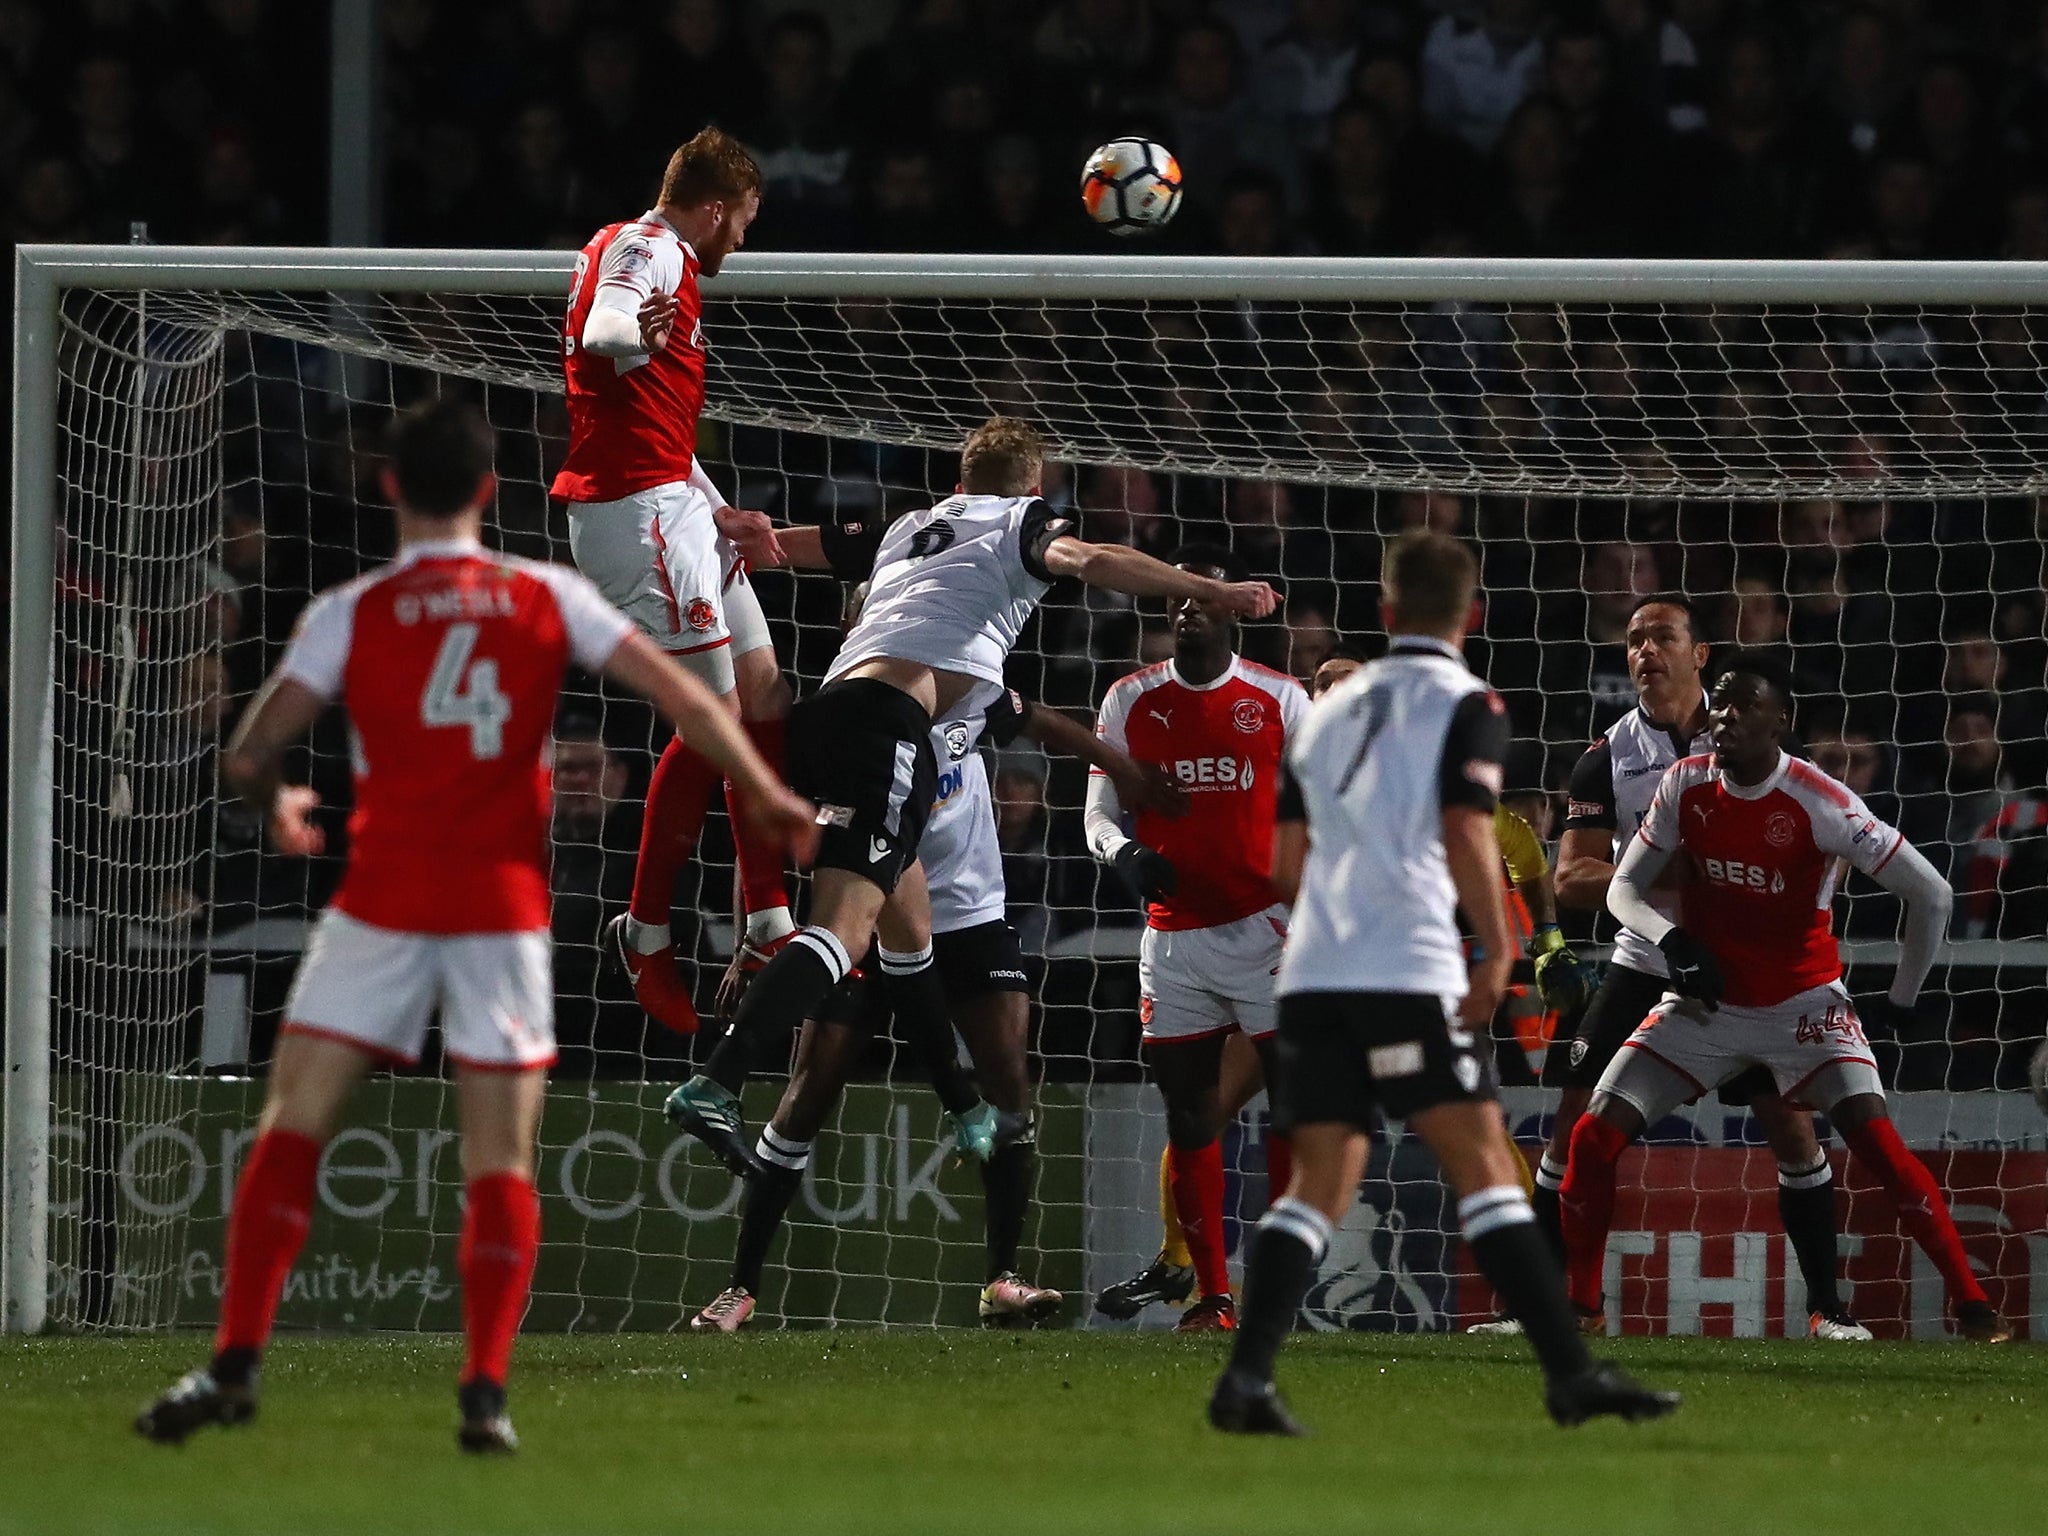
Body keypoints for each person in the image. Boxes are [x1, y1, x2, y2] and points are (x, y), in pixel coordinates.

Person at [134, 399, 817, 1453]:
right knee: (498, 1157)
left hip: (379, 904)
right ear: (491, 493)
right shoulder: (543, 594)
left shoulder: (350, 609)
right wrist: (763, 797)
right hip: (500, 912)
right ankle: (485, 1392)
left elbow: (248, 748)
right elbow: (687, 701)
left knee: (291, 1127)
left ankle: (234, 1362)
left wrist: (274, 803)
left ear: (391, 486)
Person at [665, 417, 1279, 1178]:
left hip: (829, 716)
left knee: (907, 936)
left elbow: (773, 548)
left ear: (959, 481)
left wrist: (714, 525)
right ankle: (717, 1079)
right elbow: (1090, 559)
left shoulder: (909, 525)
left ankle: (963, 1107)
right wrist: (1210, 587)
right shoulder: (1020, 521)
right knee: (846, 931)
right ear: (1036, 484)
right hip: (889, 723)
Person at [1209, 529, 1678, 1436]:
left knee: (1322, 1181)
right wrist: (1500, 953)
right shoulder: (1468, 703)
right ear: (1474, 615)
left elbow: (1283, 863)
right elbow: (1470, 833)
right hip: (1405, 975)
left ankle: (1246, 1380)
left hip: (1310, 975)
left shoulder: (1326, 713)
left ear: (1385, 615)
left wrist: (1343, 922)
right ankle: (1571, 1376)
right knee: (1483, 1170)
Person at [691, 685, 1182, 1333]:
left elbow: (1043, 721)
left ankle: (1002, 1279)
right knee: (807, 1094)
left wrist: (1121, 770)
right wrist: (756, 928)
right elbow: (762, 821)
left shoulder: (969, 689)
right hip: (867, 912)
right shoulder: (841, 714)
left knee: (1009, 1080)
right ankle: (739, 1289)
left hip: (971, 919)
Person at [1558, 649, 2012, 1345]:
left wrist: (1901, 1002)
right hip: (1708, 1009)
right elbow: (1622, 886)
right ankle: (1582, 1308)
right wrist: (1672, 942)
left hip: (1805, 1009)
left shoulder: (1819, 800)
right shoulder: (1684, 784)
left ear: (1781, 721)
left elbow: (1932, 894)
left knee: (1880, 1147)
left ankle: (1973, 1305)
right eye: (1720, 704)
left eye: (1744, 706)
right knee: (1592, 1134)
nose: (1725, 716)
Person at [554, 126, 850, 1036]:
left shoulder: (650, 250)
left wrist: (717, 507)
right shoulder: (651, 249)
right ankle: (656, 929)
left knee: (764, 685)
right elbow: (609, 327)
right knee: (716, 720)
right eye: (746, 223)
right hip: (632, 518)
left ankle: (759, 923)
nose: (744, 244)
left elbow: (645, 410)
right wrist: (625, 339)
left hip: (672, 499)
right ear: (716, 208)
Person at [1530, 594, 1863, 1342]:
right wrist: (1676, 867)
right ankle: (1554, 1309)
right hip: (1647, 958)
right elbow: (1573, 880)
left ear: (1700, 654)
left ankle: (1828, 1310)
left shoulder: (1755, 729)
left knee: (1791, 1129)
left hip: (1745, 971)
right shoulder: (1604, 759)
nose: (1646, 652)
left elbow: (1809, 845)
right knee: (1571, 1124)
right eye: (1634, 641)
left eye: (1662, 638)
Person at [1081, 559, 1306, 1333]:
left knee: (1294, 1112)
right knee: (1189, 1117)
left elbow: (1321, 813)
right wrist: (1124, 855)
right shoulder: (1129, 699)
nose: (1188, 610)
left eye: (1204, 599)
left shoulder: (1281, 698)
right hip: (1173, 942)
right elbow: (1097, 813)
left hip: (1269, 933)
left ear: (1231, 612)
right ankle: (1214, 1296)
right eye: (1176, 599)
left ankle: (1277, 1292)